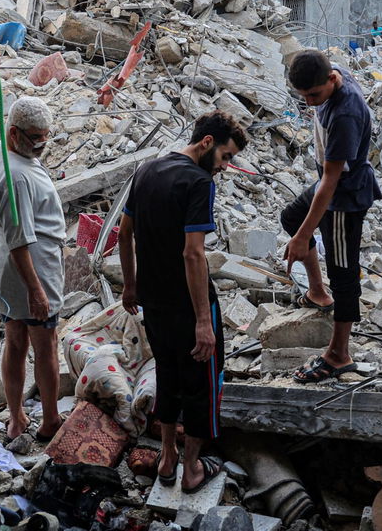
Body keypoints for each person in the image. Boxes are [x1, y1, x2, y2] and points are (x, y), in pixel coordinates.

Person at [119, 111, 248, 494]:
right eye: (225, 156)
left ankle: (167, 458)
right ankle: (191, 469)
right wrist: (203, 322)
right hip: (189, 307)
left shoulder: (146, 170)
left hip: (153, 302)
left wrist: (130, 286)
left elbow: (124, 235)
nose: (225, 167)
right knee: (202, 386)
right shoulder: (198, 182)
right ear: (206, 143)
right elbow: (193, 255)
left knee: (167, 377)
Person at [280, 50, 382, 383]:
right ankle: (317, 293)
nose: (310, 103)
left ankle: (339, 354)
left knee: (344, 274)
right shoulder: (330, 73)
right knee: (291, 218)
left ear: (332, 81)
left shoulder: (345, 113)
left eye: (314, 96)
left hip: (344, 198)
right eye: (303, 96)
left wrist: (302, 238)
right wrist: (301, 232)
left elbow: (330, 182)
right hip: (329, 184)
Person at [0, 97, 65, 442]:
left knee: (14, 338)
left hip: (6, 262)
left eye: (45, 137)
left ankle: (16, 416)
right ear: (15, 132)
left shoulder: (2, 151)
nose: (41, 145)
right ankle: (50, 421)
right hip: (30, 266)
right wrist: (37, 290)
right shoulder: (16, 178)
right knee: (45, 343)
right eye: (35, 138)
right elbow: (20, 241)